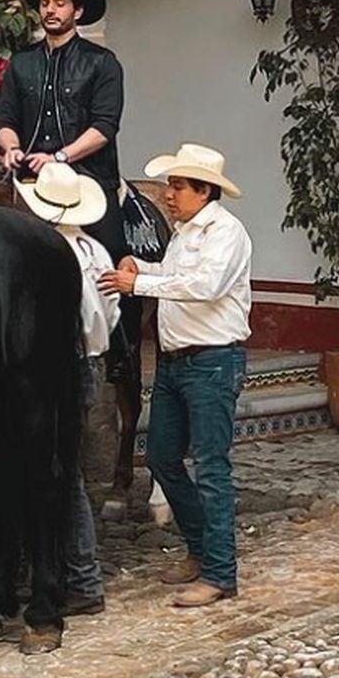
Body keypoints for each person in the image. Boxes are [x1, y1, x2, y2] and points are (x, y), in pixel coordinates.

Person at [100, 144, 251, 608]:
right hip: (176, 362)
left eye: (178, 185)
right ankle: (202, 551)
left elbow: (204, 286)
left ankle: (221, 572)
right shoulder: (186, 233)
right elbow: (173, 274)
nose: (169, 194)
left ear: (204, 190)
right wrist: (140, 268)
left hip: (212, 361)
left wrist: (138, 283)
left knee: (211, 467)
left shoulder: (227, 232)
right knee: (164, 459)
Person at [14, 162, 121, 616]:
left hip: (63, 363)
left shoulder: (48, 252)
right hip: (94, 358)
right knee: (67, 470)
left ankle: (82, 577)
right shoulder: (97, 249)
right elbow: (111, 314)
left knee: (66, 474)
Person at [0, 0, 126, 263]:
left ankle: (126, 308)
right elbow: (6, 120)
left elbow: (105, 127)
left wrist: (59, 157)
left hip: (88, 178)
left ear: (77, 11)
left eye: (59, 3)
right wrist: (12, 148)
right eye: (44, 3)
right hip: (31, 179)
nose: (50, 10)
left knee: (114, 254)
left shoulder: (102, 62)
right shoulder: (21, 62)